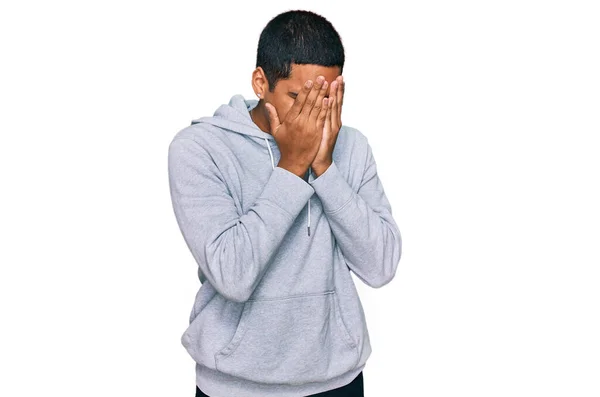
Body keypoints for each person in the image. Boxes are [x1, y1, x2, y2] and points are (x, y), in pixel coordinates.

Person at [168, 9, 402, 397]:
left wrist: (325, 168)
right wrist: (293, 166)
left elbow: (381, 266)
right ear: (261, 83)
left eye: (325, 98)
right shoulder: (199, 149)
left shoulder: (351, 146)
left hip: (338, 381)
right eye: (299, 97)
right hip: (234, 387)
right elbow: (232, 274)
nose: (314, 114)